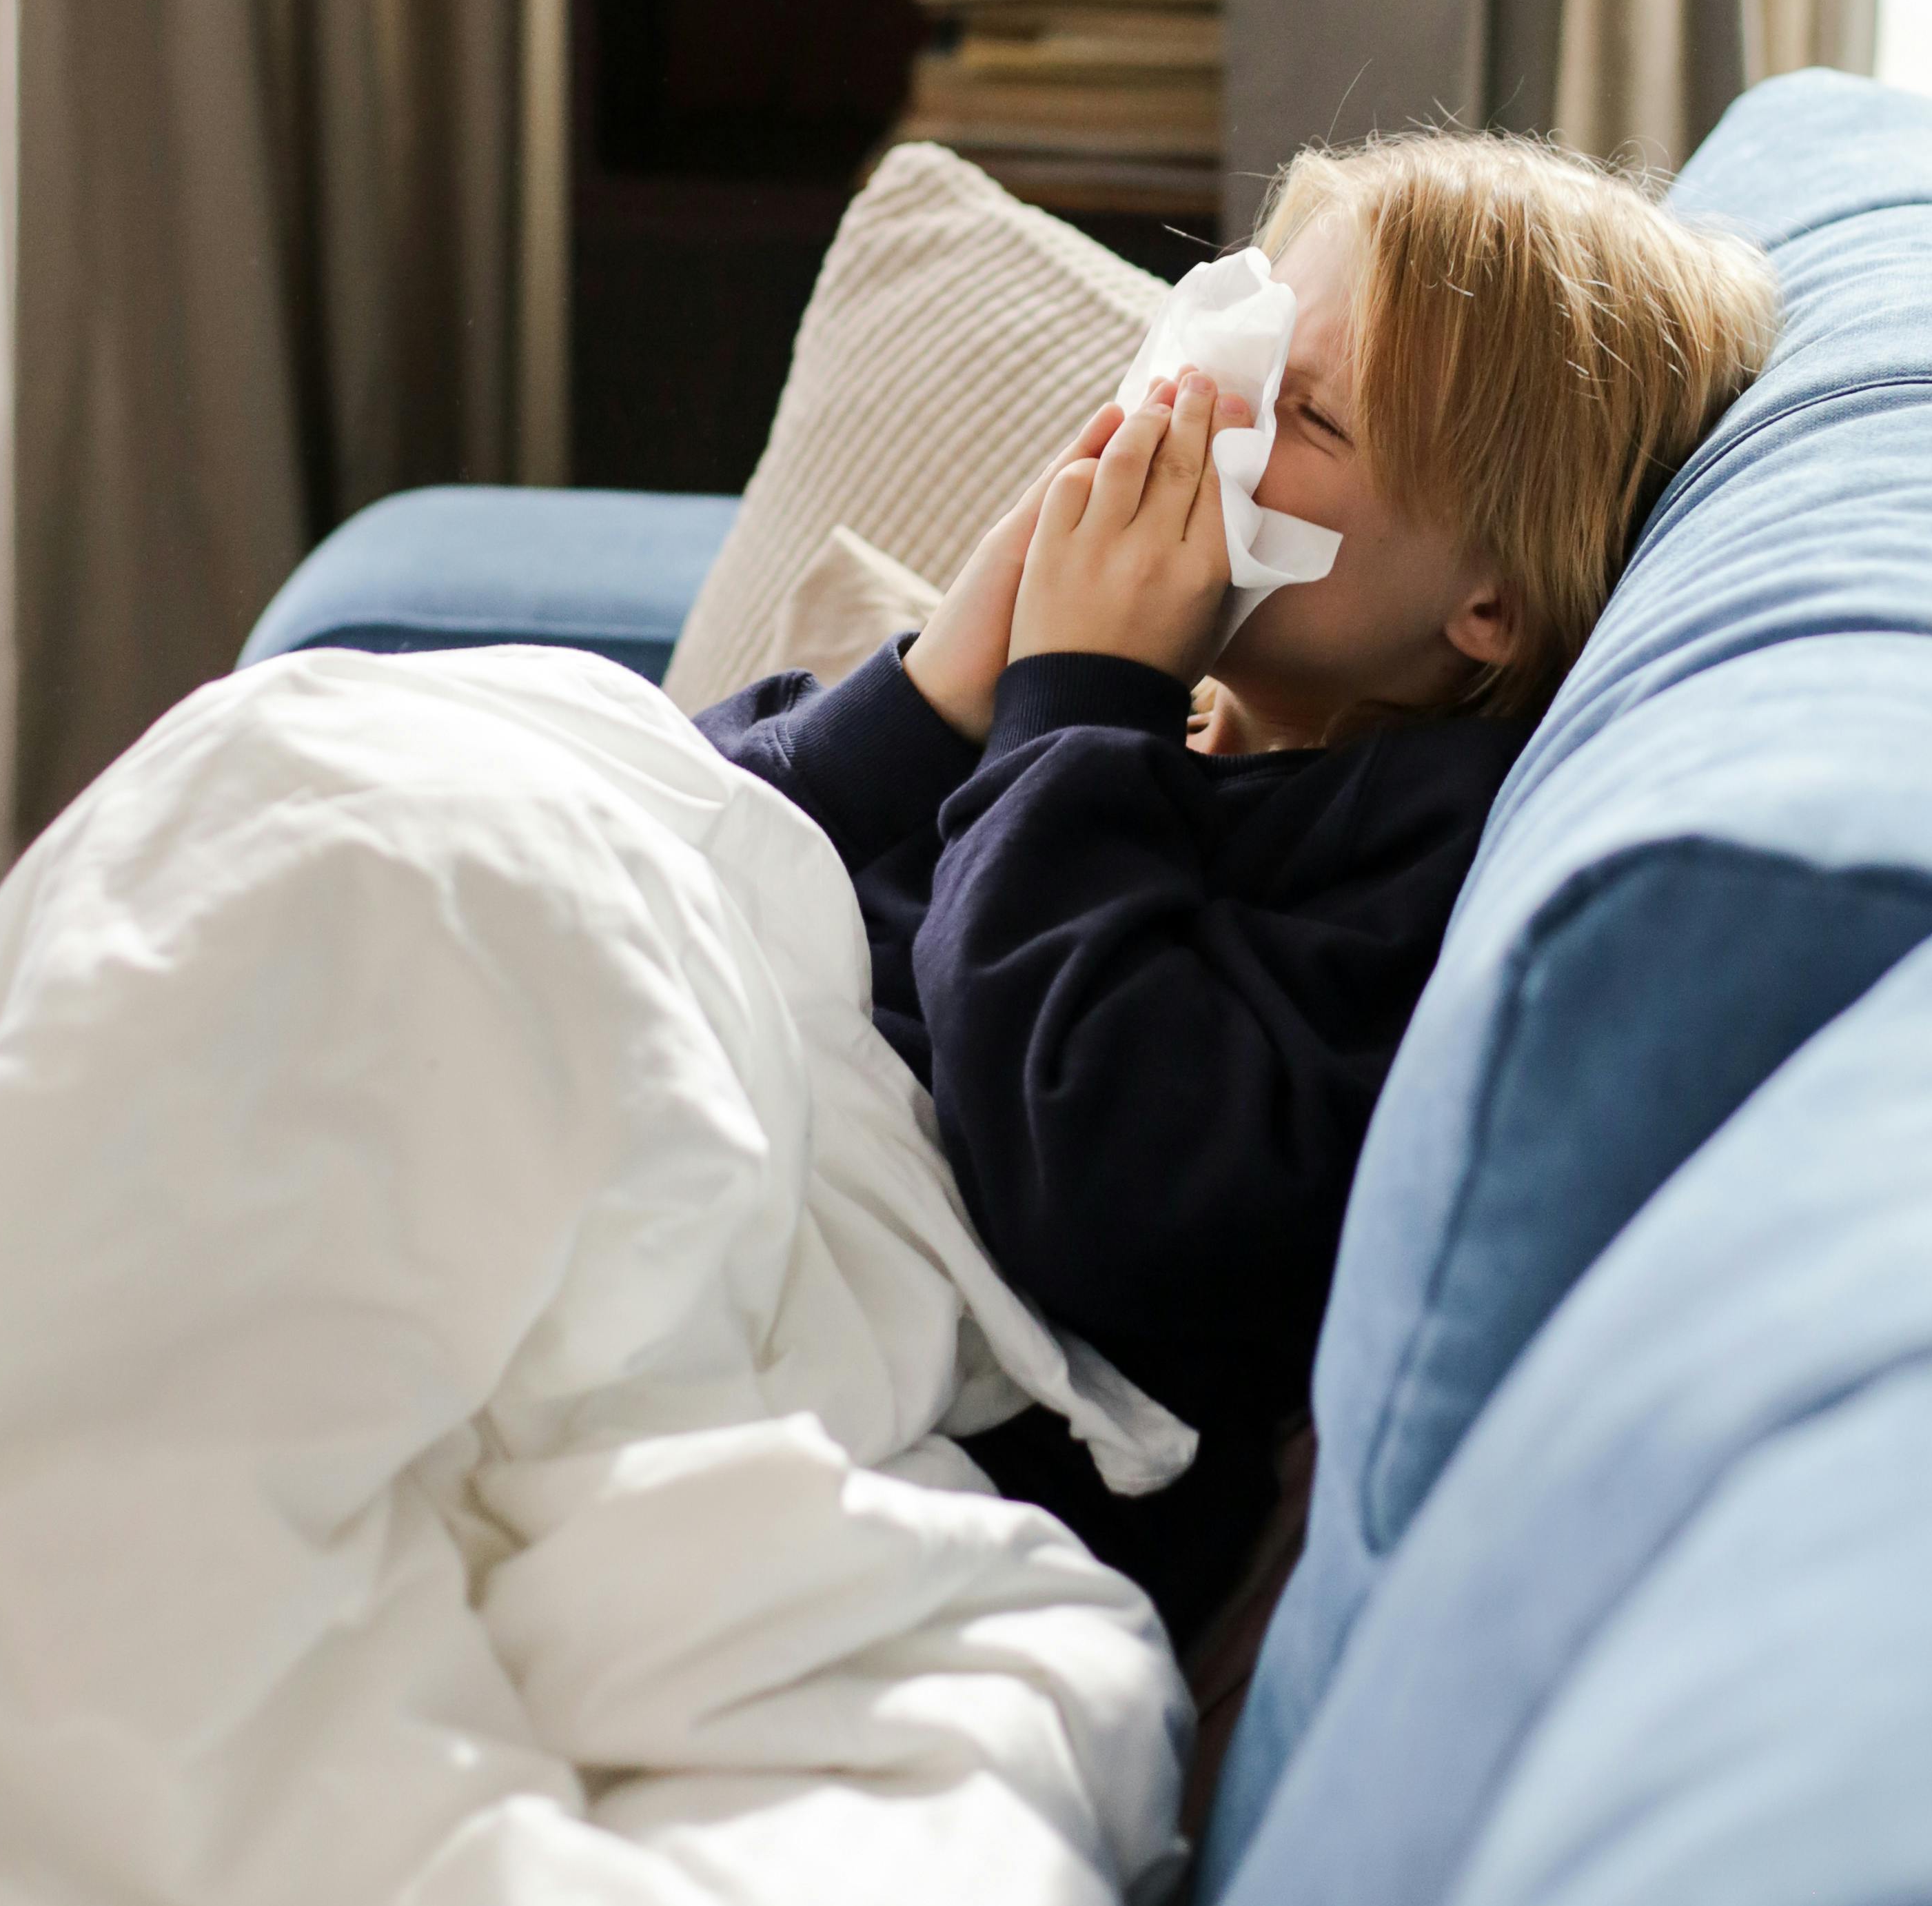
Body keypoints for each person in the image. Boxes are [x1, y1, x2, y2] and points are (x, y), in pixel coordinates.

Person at [697, 129, 1782, 1641]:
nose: (1200, 414)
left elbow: (1104, 1178)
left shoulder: (1404, 851)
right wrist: (950, 680)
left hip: (904, 1403)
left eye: (1308, 412)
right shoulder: (1140, 732)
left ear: (1490, 602)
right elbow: (680, 843)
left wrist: (1079, 704)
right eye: (1236, 340)